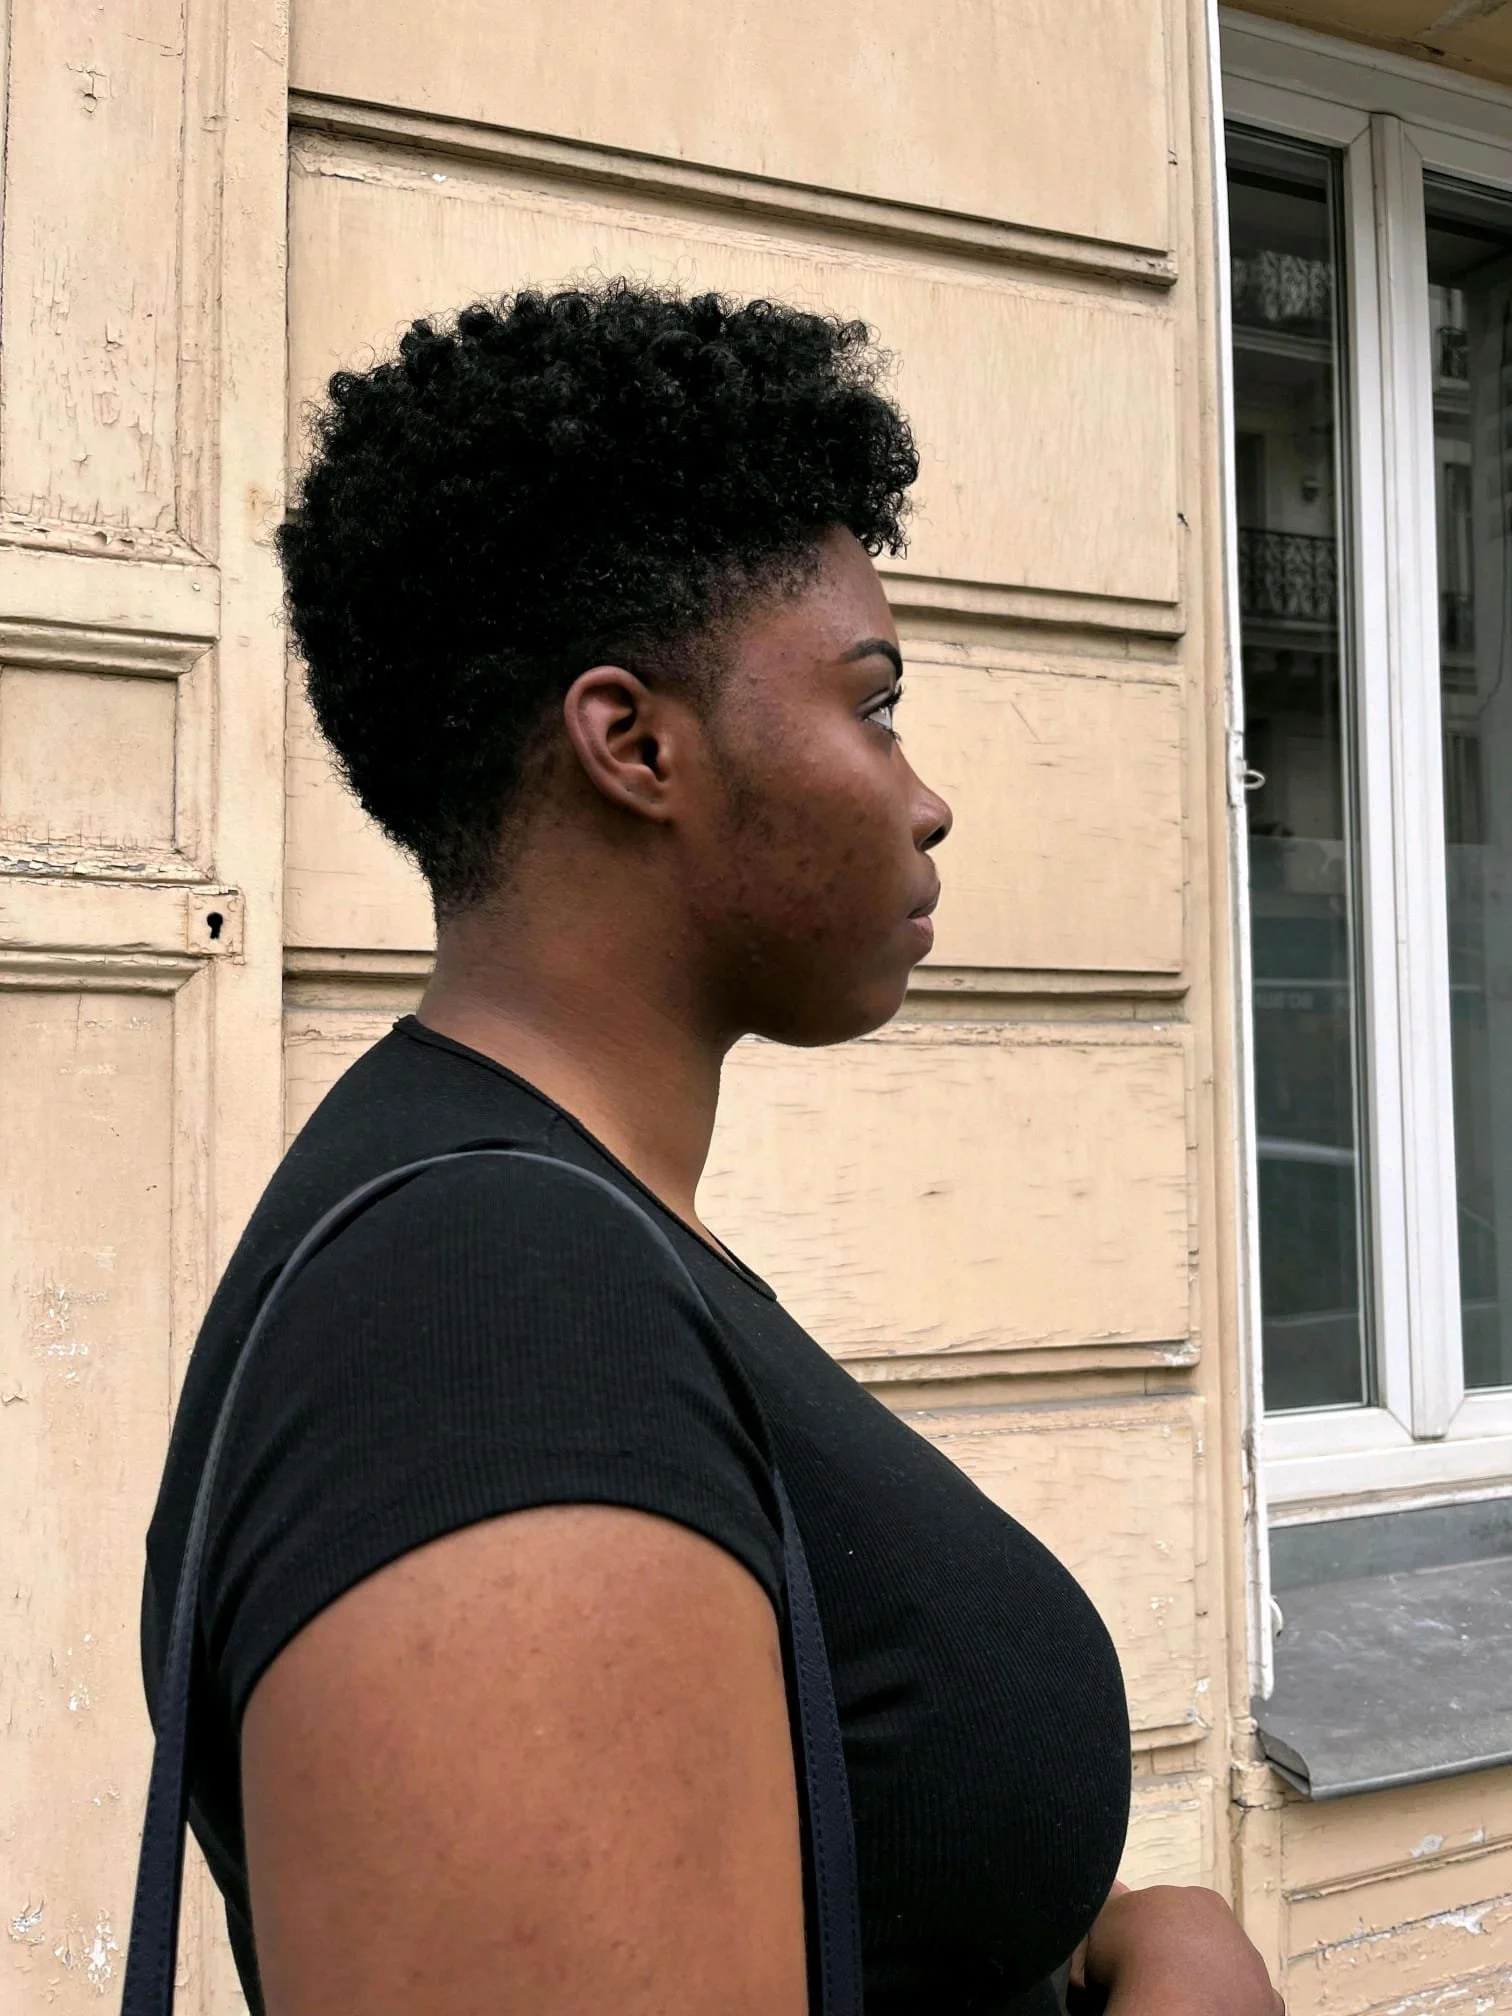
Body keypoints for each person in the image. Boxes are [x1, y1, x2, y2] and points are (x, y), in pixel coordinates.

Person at [142, 283, 1283, 2015]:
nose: (925, 796)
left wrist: (1135, 1928)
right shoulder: (481, 1323)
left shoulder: (567, 1246)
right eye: (874, 704)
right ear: (634, 745)